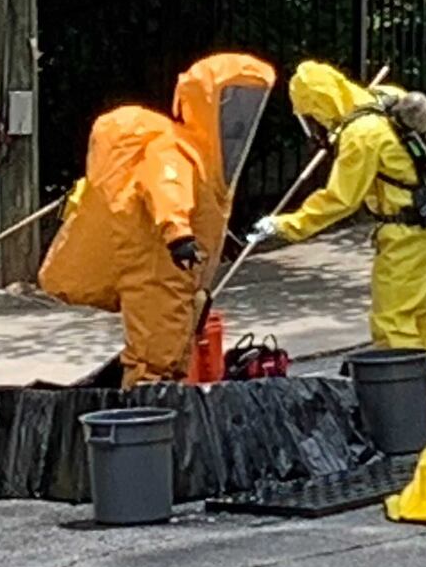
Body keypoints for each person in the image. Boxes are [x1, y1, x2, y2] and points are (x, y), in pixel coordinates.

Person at [250, 61, 426, 419]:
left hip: (407, 233)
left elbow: (340, 199)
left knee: (393, 317)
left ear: (318, 106)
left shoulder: (360, 136)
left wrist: (285, 226)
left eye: (312, 116)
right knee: (425, 309)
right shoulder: (386, 97)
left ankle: (411, 409)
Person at [40, 53, 275, 387]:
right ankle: (142, 418)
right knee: (153, 355)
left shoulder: (204, 161)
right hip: (157, 268)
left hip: (177, 275)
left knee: (174, 350)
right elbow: (166, 187)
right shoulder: (173, 149)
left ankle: (160, 410)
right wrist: (177, 234)